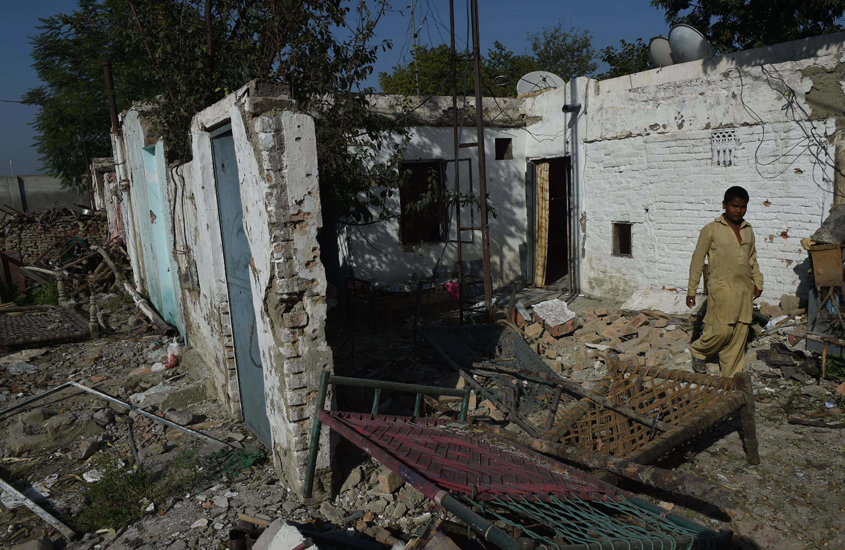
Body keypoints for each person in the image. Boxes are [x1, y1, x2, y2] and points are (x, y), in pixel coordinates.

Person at [686, 186, 763, 377]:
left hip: (744, 289)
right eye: (734, 206)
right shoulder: (711, 229)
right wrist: (691, 290)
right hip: (722, 288)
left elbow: (752, 258)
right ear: (724, 205)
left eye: (743, 207)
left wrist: (758, 282)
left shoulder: (748, 230)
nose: (738, 210)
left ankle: (730, 378)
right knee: (721, 331)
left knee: (740, 333)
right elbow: (697, 260)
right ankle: (699, 351)